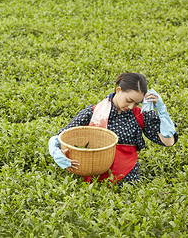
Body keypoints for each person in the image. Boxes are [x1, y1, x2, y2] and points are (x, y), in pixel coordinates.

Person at [48, 73, 178, 185]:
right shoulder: (94, 111)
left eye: (136, 103)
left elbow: (168, 142)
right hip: (93, 170)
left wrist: (161, 111)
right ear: (118, 90)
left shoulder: (141, 114)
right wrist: (58, 152)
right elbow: (60, 137)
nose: (131, 106)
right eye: (129, 100)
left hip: (126, 174)